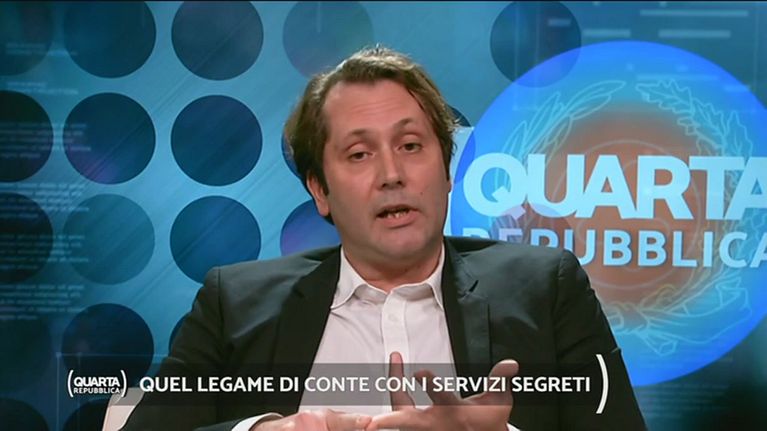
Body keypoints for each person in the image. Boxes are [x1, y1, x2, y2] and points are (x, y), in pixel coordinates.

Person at [122, 46, 646, 431]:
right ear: (320, 190)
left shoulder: (546, 289)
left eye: (411, 145)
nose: (392, 174)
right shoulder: (236, 304)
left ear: (446, 170)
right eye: (359, 154)